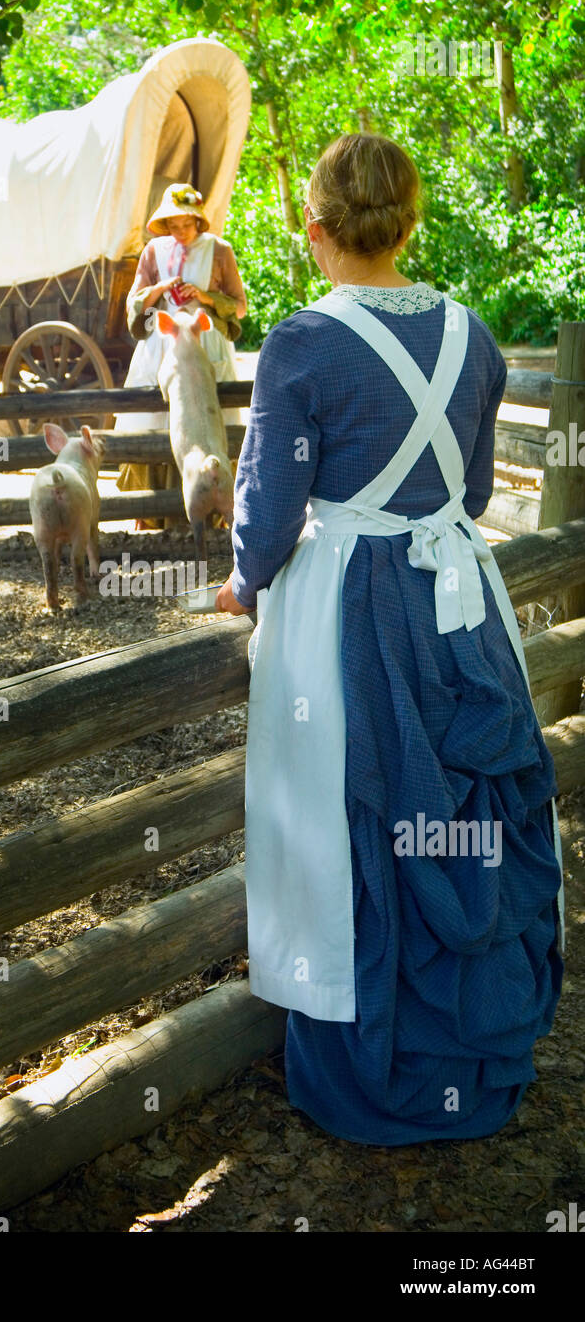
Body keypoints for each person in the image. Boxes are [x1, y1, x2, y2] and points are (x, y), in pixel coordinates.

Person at [215, 132, 564, 1145]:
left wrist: (243, 580)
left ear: (315, 231)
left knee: (351, 811)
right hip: (459, 603)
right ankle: (472, 1047)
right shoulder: (473, 333)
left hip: (351, 610)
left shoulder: (300, 345)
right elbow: (471, 489)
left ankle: (372, 1071)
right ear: (408, 224)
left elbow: (271, 505)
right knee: (463, 811)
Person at [114, 182, 248, 529]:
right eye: (173, 225)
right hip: (162, 345)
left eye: (186, 223)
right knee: (154, 420)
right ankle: (152, 511)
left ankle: (215, 511)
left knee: (208, 420)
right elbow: (134, 303)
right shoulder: (153, 252)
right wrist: (158, 290)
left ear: (198, 219)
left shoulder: (219, 250)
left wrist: (204, 298)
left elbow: (240, 306)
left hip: (206, 344)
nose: (180, 231)